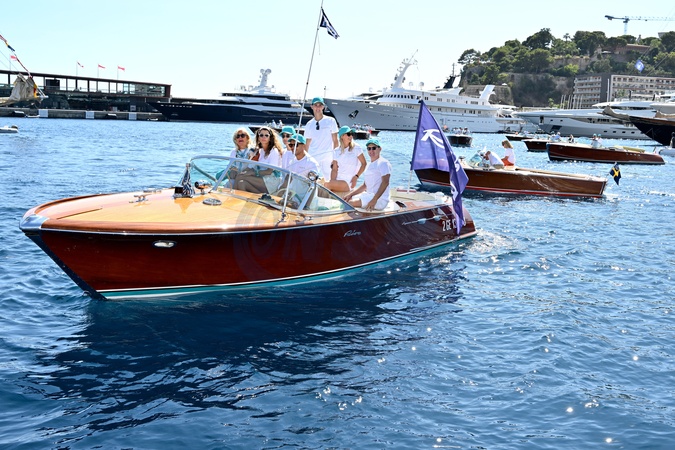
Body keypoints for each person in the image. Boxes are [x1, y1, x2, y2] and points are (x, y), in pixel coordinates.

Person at [344, 138, 391, 211]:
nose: (371, 151)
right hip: (369, 195)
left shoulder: (383, 163)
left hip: (380, 199)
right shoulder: (369, 165)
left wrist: (374, 200)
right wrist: (350, 194)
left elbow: (385, 182)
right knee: (344, 200)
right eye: (369, 148)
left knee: (348, 204)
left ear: (380, 149)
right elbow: (364, 186)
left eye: (374, 148)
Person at [234, 126, 283, 193]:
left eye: (266, 135)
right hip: (261, 178)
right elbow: (251, 166)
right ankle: (243, 198)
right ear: (258, 137)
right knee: (241, 183)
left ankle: (232, 195)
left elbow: (269, 171)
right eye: (261, 135)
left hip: (272, 180)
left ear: (270, 138)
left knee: (241, 177)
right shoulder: (259, 151)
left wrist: (253, 173)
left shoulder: (274, 151)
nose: (263, 137)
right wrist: (244, 172)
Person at [323, 126, 367, 194]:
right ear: (342, 136)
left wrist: (356, 177)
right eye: (348, 134)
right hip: (338, 180)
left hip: (348, 182)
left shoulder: (356, 148)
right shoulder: (336, 151)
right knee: (323, 183)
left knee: (326, 184)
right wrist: (333, 182)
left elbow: (364, 164)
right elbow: (334, 170)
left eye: (351, 134)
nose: (351, 136)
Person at [304, 96, 338, 180]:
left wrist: (335, 159)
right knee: (311, 181)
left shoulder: (331, 121)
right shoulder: (309, 124)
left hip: (328, 158)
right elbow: (307, 144)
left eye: (320, 105)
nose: (318, 107)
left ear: (323, 107)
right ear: (312, 107)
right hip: (313, 158)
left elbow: (335, 141)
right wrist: (305, 160)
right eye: (316, 105)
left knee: (329, 181)